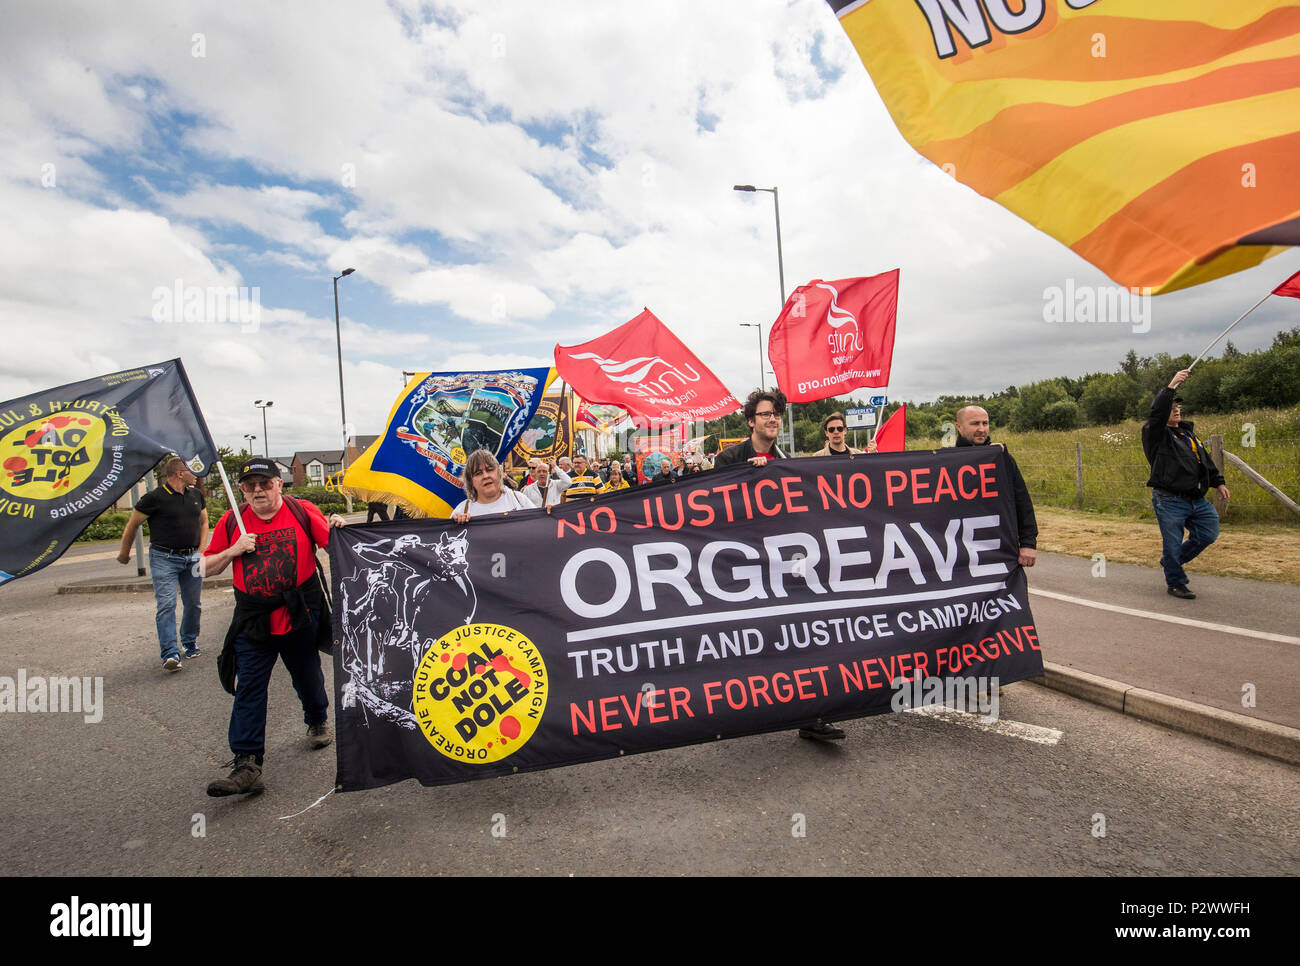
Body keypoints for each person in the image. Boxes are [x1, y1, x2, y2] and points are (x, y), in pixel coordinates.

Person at [200, 457, 347, 796]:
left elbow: (335, 547)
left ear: (279, 484)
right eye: (250, 485)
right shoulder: (231, 521)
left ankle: (316, 718)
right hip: (254, 619)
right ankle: (247, 762)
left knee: (307, 674)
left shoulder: (301, 510)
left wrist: (338, 525)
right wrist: (233, 551)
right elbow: (203, 569)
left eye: (264, 483)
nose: (257, 490)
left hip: (300, 613)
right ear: (241, 490)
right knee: (250, 686)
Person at [1142, 368, 1229, 600]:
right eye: (1172, 408)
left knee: (1208, 533)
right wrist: (1171, 386)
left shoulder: (1189, 436)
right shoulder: (1156, 434)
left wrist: (1218, 483)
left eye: (1178, 407)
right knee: (1172, 543)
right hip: (1169, 499)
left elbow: (1205, 462)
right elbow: (1157, 413)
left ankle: (1171, 561)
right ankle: (1176, 582)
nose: (1177, 410)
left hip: (1197, 499)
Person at [117, 456, 209, 671]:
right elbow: (132, 525)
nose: (196, 474)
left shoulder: (196, 495)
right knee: (166, 605)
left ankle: (189, 642)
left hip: (193, 558)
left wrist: (202, 549)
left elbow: (204, 521)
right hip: (163, 559)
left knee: (194, 604)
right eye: (191, 471)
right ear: (179, 473)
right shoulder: (153, 498)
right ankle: (170, 654)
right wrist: (124, 553)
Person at [952, 406, 1037, 568]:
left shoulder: (1002, 458)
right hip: (959, 549)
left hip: (999, 546)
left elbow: (1022, 502)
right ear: (958, 426)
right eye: (975, 423)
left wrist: (1028, 543)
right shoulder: (946, 461)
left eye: (985, 423)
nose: (981, 429)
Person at [451, 449, 536, 521]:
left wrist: (548, 513)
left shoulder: (519, 501)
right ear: (470, 481)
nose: (485, 476)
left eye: (489, 470)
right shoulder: (462, 510)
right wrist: (455, 526)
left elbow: (539, 526)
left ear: (499, 473)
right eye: (478, 473)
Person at [714, 388, 788, 468]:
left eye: (777, 415)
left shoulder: (785, 459)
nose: (773, 419)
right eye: (765, 414)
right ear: (751, 421)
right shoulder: (728, 459)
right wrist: (748, 470)